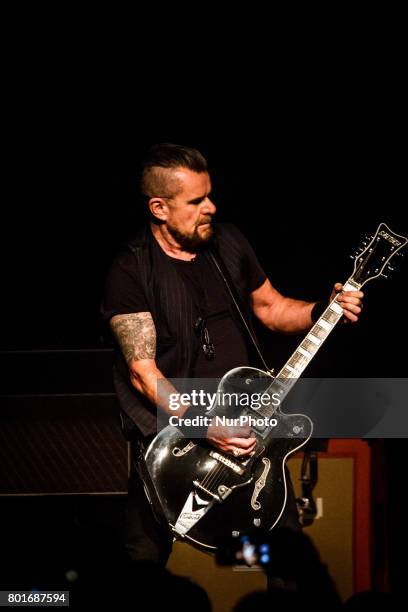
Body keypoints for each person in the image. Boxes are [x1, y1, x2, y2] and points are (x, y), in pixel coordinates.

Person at [100, 143, 363, 567]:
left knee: (288, 560)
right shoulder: (130, 271)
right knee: (142, 563)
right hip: (175, 442)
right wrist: (206, 427)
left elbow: (271, 309)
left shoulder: (228, 242)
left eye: (210, 195)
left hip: (249, 432)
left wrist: (325, 308)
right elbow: (142, 372)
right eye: (196, 200)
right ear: (159, 207)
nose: (210, 207)